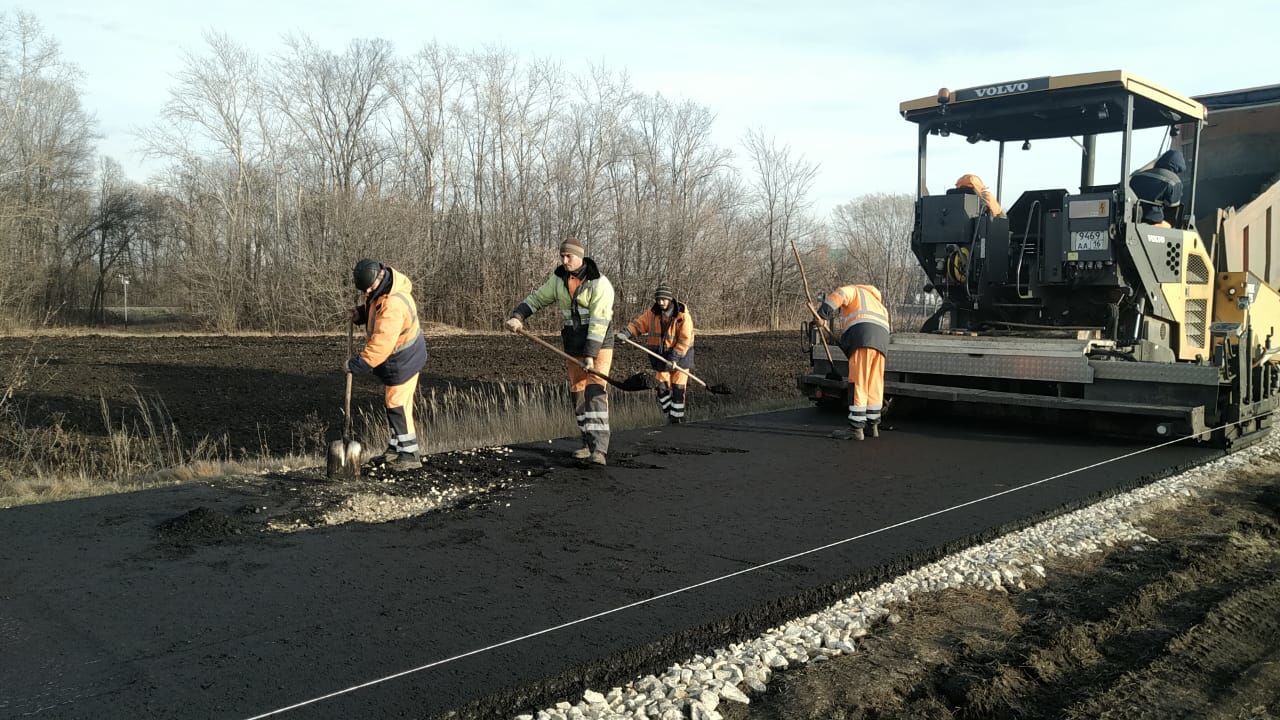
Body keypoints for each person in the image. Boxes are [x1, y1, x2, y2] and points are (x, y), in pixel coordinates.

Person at [505, 238, 615, 465]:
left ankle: (599, 449)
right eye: (562, 256)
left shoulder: (599, 283)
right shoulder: (558, 280)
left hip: (599, 343)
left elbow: (599, 322)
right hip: (573, 344)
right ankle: (586, 442)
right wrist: (518, 316)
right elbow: (537, 299)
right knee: (577, 393)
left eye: (569, 257)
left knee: (595, 391)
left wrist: (590, 355)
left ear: (580, 256)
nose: (565, 261)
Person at [347, 258, 428, 471]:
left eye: (369, 287)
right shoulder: (384, 289)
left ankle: (409, 454)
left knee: (397, 405)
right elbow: (376, 310)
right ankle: (395, 448)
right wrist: (362, 314)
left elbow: (381, 344)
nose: (368, 291)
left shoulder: (393, 304)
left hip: (403, 360)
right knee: (395, 403)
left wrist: (357, 364)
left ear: (379, 277)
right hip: (403, 357)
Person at [816, 284, 891, 441]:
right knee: (874, 383)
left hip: (863, 337)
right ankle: (873, 425)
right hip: (882, 342)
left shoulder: (855, 290)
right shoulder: (879, 304)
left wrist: (822, 314)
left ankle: (856, 429)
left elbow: (838, 296)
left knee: (859, 382)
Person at [618, 282, 695, 424]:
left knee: (678, 389)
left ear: (670, 299)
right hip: (660, 357)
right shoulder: (652, 314)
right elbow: (638, 324)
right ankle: (669, 415)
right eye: (658, 299)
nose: (660, 302)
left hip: (681, 357)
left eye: (663, 299)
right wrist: (626, 333)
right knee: (661, 387)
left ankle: (677, 419)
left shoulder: (682, 316)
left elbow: (685, 340)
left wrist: (674, 357)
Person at [1129, 149, 1186, 228]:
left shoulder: (1138, 175)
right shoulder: (1174, 181)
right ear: (1179, 167)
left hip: (1132, 217)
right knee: (1170, 226)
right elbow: (1173, 208)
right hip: (1153, 221)